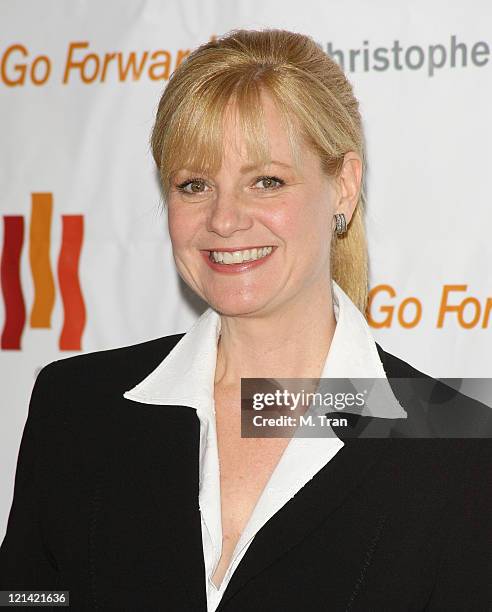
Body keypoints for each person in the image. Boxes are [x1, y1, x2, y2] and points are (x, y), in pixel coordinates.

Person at [1, 28, 491, 612]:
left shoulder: (457, 445)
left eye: (267, 181)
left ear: (344, 185)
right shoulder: (76, 404)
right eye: (194, 185)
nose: (224, 219)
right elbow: (30, 598)